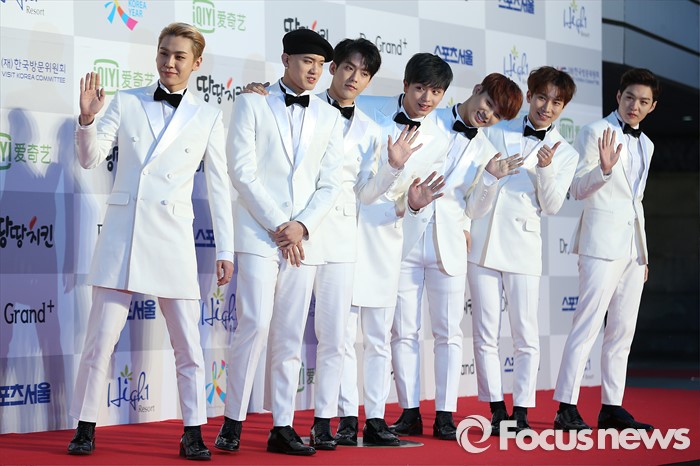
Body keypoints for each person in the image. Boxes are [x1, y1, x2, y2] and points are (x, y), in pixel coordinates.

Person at [67, 22, 234, 461]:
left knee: (189, 347)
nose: (169, 63)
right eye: (164, 53)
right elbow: (89, 159)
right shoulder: (127, 100)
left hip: (172, 238)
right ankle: (85, 427)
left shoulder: (208, 115)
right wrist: (87, 119)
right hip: (124, 235)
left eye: (179, 56)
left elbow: (219, 188)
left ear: (196, 63)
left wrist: (226, 249)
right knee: (99, 341)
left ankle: (193, 431)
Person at [215, 29, 344, 456]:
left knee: (290, 333)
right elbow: (241, 171)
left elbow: (330, 184)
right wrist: (279, 224)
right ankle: (232, 421)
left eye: (320, 65)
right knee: (254, 324)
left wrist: (301, 226)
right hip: (258, 232)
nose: (314, 71)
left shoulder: (329, 117)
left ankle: (282, 426)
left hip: (302, 241)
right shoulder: (252, 102)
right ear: (286, 59)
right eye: (307, 61)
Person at [388, 73, 524, 441]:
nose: (488, 115)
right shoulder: (426, 119)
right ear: (477, 90)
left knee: (448, 334)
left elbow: (474, 209)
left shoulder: (486, 150)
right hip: (405, 236)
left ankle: (445, 415)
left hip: (448, 245)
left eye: (497, 115)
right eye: (488, 104)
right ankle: (409, 412)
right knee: (404, 331)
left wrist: (491, 179)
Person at [349, 52, 452, 446]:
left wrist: (413, 205)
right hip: (343, 230)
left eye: (436, 92)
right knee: (341, 338)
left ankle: (374, 419)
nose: (427, 98)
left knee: (379, 337)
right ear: (406, 85)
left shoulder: (440, 139)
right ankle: (341, 419)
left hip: (385, 238)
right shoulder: (366, 107)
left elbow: (413, 197)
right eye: (421, 88)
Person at [469, 66, 578, 435]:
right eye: (542, 97)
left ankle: (522, 412)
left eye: (556, 103)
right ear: (530, 95)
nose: (547, 107)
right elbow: (475, 180)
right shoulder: (495, 128)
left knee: (526, 336)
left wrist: (545, 171)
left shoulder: (566, 153)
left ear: (563, 108)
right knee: (485, 333)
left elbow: (552, 206)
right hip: (483, 241)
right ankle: (496, 408)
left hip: (523, 247)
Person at [553, 68, 660, 432]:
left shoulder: (647, 145)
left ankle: (612, 407)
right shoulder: (594, 132)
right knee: (587, 325)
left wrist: (643, 253)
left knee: (622, 331)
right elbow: (576, 189)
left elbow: (635, 202)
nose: (634, 106)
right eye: (629, 97)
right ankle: (566, 407)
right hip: (600, 244)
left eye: (643, 101)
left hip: (632, 251)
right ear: (618, 97)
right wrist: (603, 170)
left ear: (652, 106)